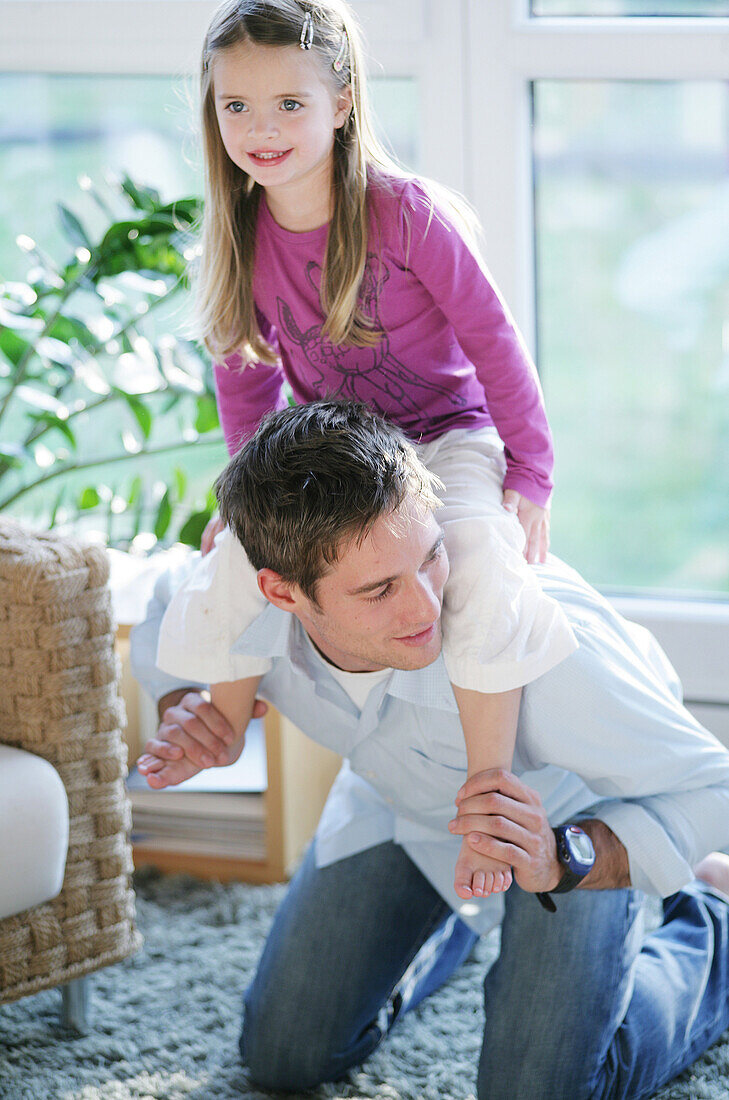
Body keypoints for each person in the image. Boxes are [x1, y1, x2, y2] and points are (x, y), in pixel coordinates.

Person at [133, 400, 729, 1100]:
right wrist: (186, 710)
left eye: (431, 556)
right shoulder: (230, 604)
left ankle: (713, 923)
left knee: (538, 1091)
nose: (422, 607)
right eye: (379, 588)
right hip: (394, 807)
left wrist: (563, 856)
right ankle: (452, 925)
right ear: (280, 592)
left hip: (555, 823)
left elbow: (714, 789)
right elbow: (163, 608)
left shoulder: (549, 649)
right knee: (283, 1057)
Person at [158, 0, 578, 902]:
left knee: (482, 562)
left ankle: (486, 787)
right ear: (212, 112)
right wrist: (245, 507)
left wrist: (532, 473)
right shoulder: (236, 235)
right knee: (234, 557)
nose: (261, 129)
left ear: (341, 103)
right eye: (237, 108)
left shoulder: (405, 214)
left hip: (446, 438)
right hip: (342, 457)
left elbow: (498, 345)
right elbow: (245, 388)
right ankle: (224, 722)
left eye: (289, 105)